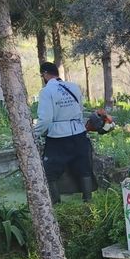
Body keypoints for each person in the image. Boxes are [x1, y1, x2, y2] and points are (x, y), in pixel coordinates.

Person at [35, 61, 94, 203]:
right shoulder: (73, 87)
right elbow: (79, 110)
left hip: (58, 137)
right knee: (84, 168)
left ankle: (56, 204)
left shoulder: (46, 91)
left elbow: (45, 119)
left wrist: (34, 134)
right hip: (79, 134)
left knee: (49, 172)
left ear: (44, 74)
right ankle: (88, 202)